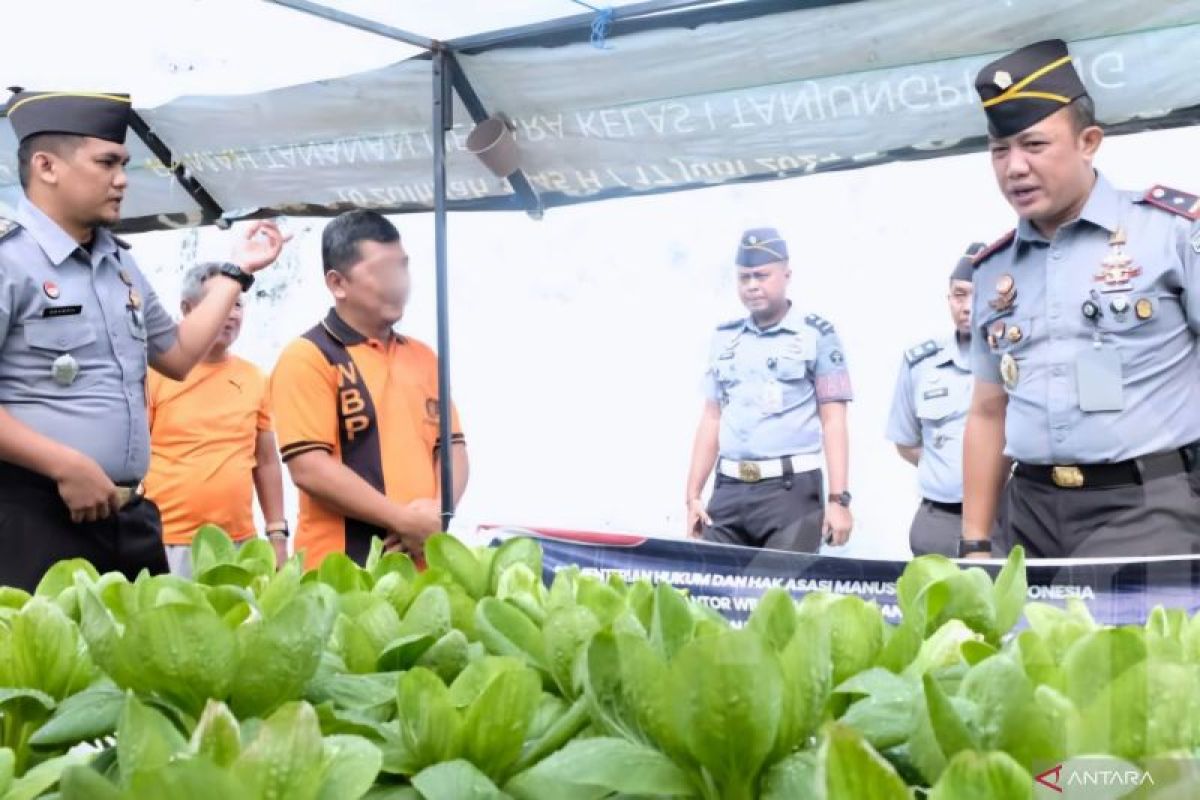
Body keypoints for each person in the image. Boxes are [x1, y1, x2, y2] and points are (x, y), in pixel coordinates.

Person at [0, 90, 284, 590]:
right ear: (47, 167)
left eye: (125, 163)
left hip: (127, 515)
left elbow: (175, 355)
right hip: (33, 516)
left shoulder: (117, 261)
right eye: (107, 162)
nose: (122, 179)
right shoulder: (10, 261)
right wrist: (63, 463)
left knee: (144, 662)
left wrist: (237, 270)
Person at [961, 40, 1200, 560]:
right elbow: (986, 410)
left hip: (1147, 507)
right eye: (999, 151)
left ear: (1089, 141)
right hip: (1030, 514)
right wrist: (976, 542)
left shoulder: (1171, 235)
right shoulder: (994, 271)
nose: (1014, 168)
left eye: (1034, 145)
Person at [270, 209, 467, 570]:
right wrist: (403, 520)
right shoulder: (308, 357)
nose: (398, 283)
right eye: (381, 272)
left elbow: (451, 446)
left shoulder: (425, 357)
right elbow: (309, 468)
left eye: (402, 268)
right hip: (341, 573)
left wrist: (440, 510)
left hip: (423, 567)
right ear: (337, 283)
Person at [685, 227, 853, 552]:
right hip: (729, 489)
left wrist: (839, 498)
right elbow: (711, 418)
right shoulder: (724, 338)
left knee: (782, 597)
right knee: (714, 594)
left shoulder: (817, 334)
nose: (752, 286)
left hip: (790, 493)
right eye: (744, 277)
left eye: (761, 276)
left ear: (787, 274)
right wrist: (692, 495)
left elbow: (834, 421)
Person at [144, 263, 288, 577]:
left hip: (238, 542)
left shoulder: (255, 378)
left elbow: (266, 462)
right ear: (187, 308)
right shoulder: (154, 374)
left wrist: (277, 535)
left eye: (238, 304)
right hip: (169, 541)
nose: (232, 314)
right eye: (223, 303)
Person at [886, 244, 986, 556]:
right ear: (948, 299)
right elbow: (906, 443)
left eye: (977, 294)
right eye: (959, 295)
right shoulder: (921, 363)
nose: (967, 306)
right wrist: (944, 470)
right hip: (940, 518)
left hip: (1005, 518)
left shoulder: (1020, 357)